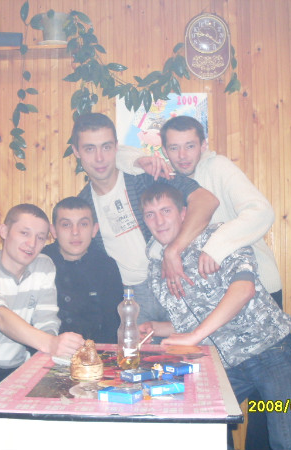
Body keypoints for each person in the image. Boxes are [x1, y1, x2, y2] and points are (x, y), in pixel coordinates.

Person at [117, 115, 282, 448]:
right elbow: (117, 153)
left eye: (190, 146)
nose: (182, 155)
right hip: (207, 299)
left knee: (267, 415)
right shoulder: (169, 177)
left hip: (253, 289)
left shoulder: (217, 168)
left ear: (204, 145)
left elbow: (261, 212)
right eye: (173, 148)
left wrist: (214, 248)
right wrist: (142, 160)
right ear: (163, 150)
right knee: (215, 405)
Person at [138, 184, 291, 450]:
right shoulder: (156, 269)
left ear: (183, 213)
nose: (159, 221)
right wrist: (155, 327)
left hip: (270, 352)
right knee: (201, 433)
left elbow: (244, 290)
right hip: (222, 367)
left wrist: (194, 336)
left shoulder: (219, 237)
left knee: (287, 441)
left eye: (166, 211)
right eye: (150, 214)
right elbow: (191, 324)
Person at [71, 113, 219, 325]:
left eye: (106, 147)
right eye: (89, 149)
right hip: (129, 297)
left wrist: (173, 250)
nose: (100, 158)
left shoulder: (147, 176)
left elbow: (206, 201)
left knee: (192, 343)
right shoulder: (83, 206)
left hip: (176, 279)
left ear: (117, 147)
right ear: (77, 151)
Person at [0, 204, 85, 397]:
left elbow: (47, 323)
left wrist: (53, 347)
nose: (32, 243)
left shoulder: (43, 266)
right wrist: (51, 343)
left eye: (40, 237)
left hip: (17, 371)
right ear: (4, 231)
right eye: (24, 233)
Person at [42, 196, 122, 344]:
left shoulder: (106, 267)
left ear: (94, 230)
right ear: (54, 231)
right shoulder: (40, 263)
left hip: (96, 352)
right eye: (66, 225)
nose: (75, 232)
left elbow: (113, 327)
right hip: (47, 349)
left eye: (83, 224)